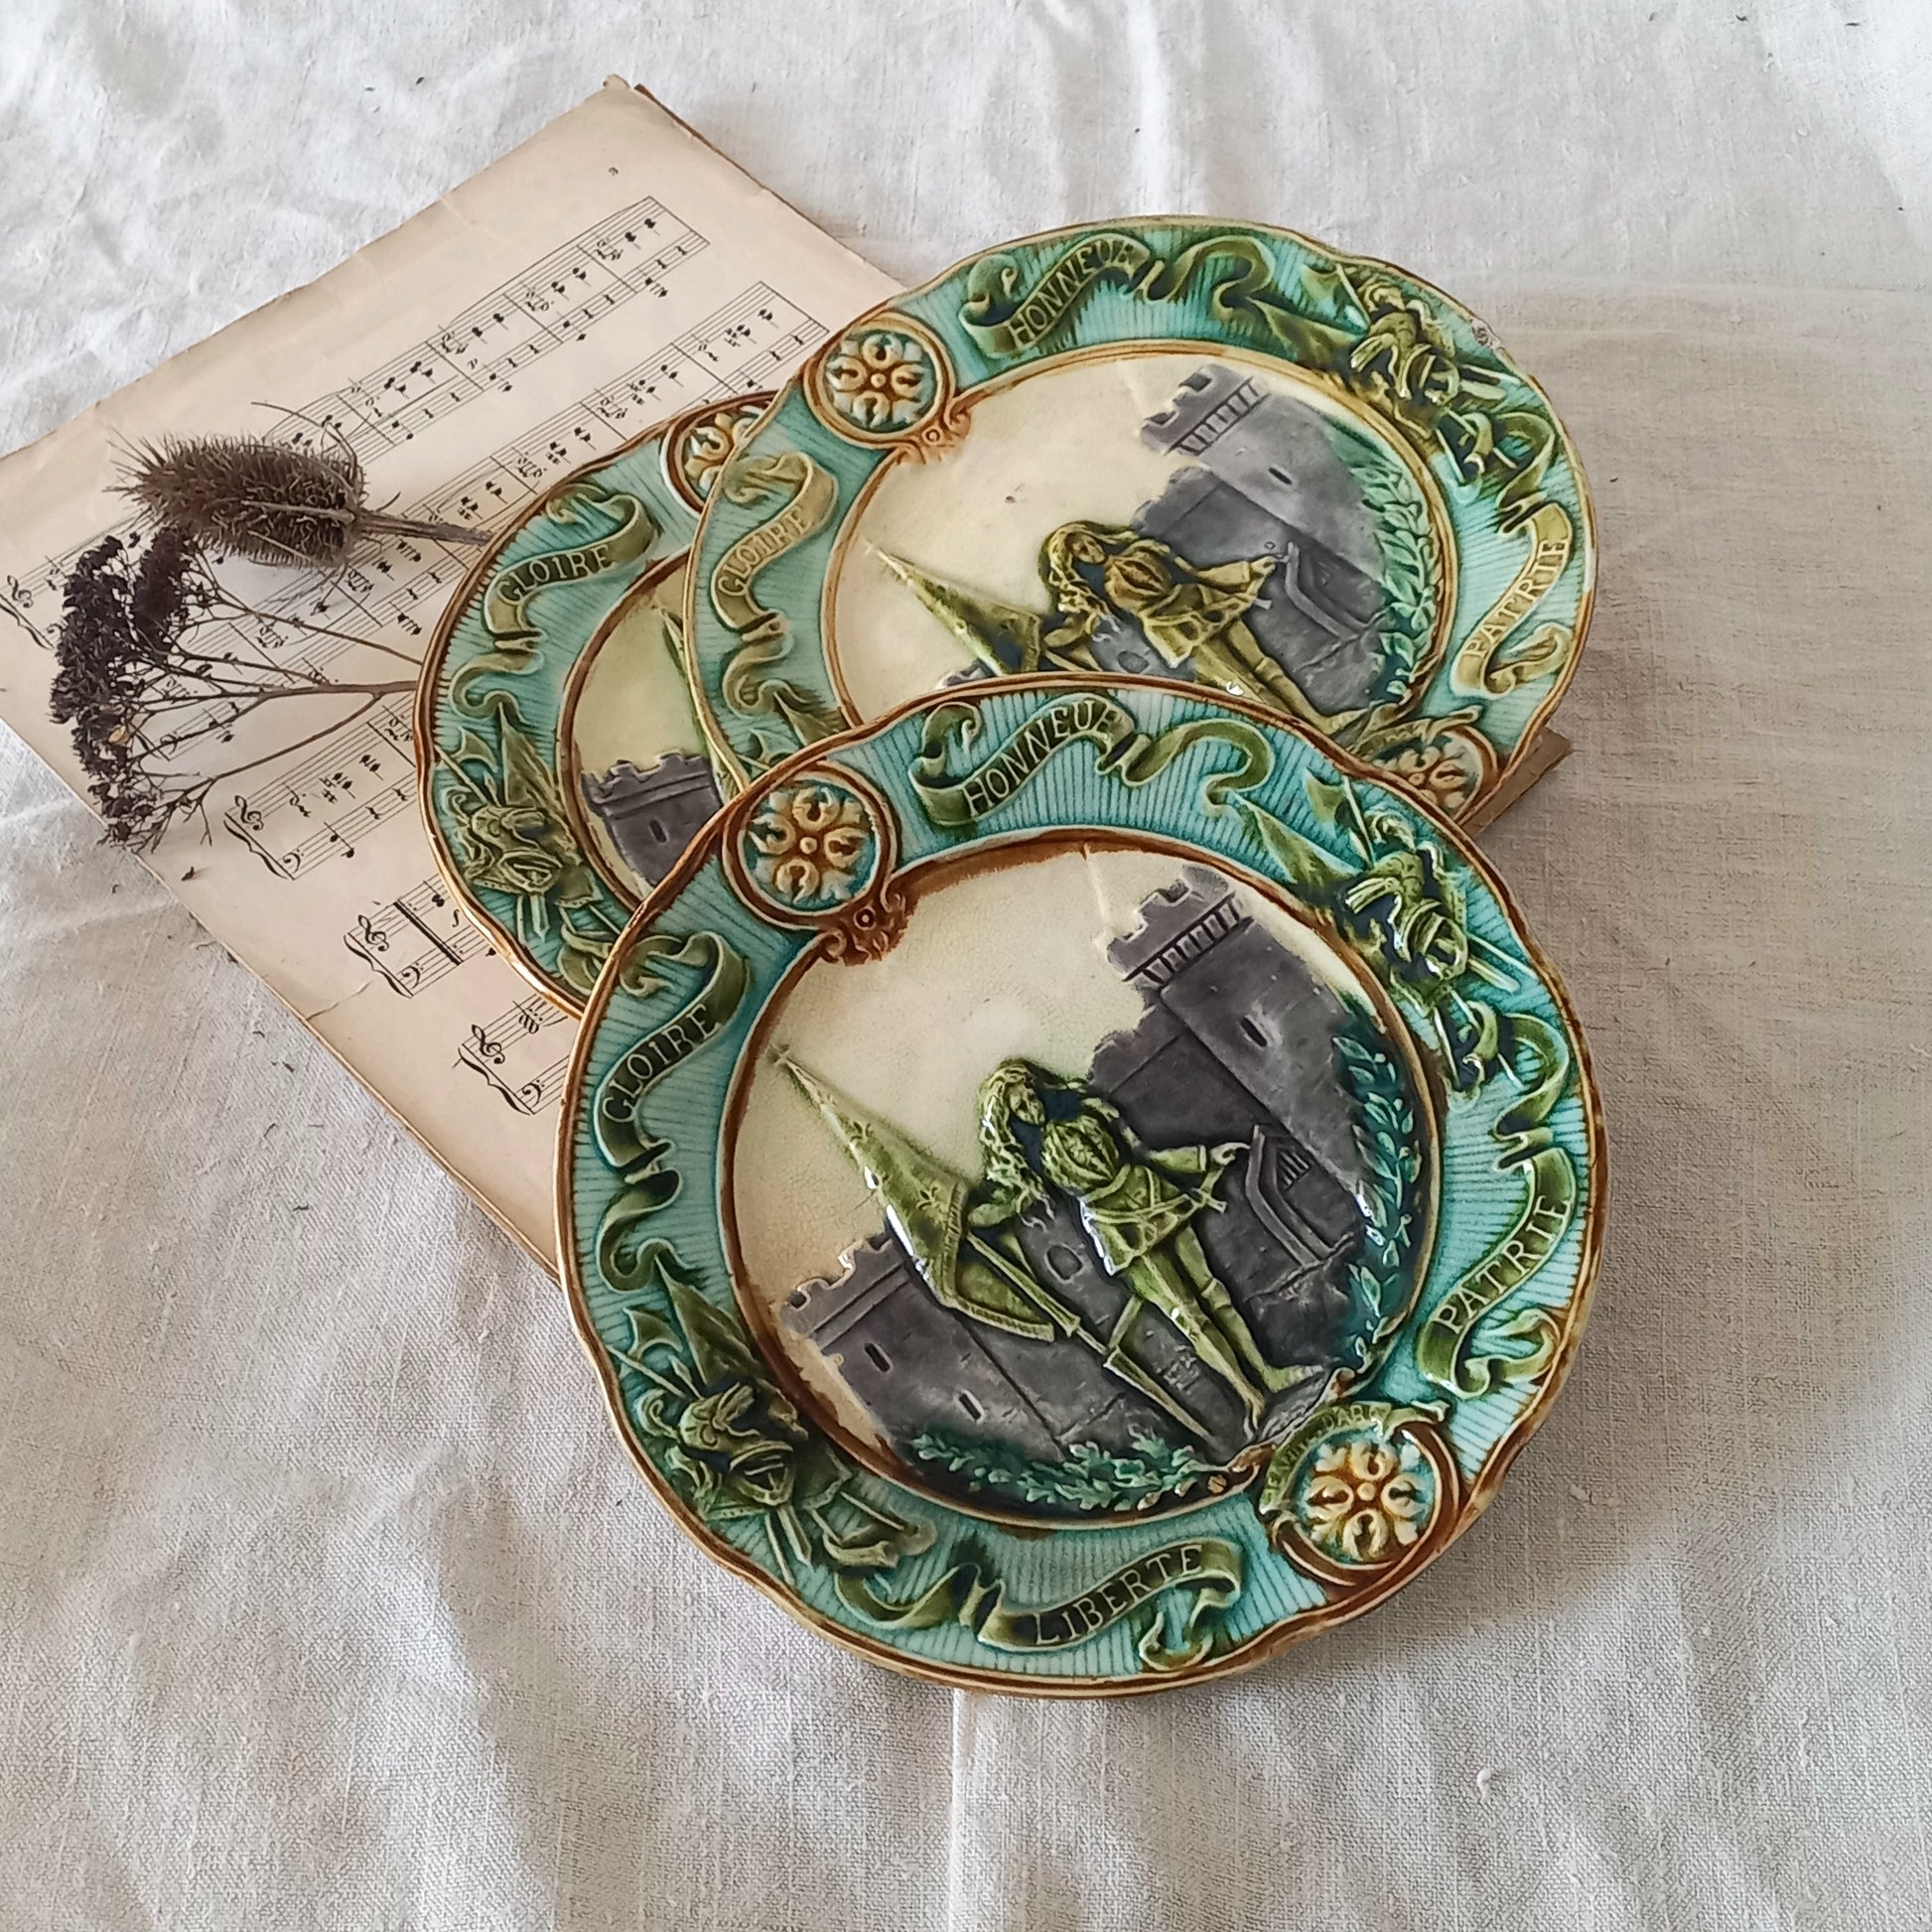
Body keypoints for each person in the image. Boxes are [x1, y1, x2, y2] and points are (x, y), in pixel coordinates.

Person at [969, 1058, 1298, 1427]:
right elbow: (1002, 1208)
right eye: (1019, 1108)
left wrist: (1204, 1157)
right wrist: (962, 1218)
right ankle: (1247, 1394)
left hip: (1151, 1193)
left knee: (1215, 1293)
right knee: (1187, 1316)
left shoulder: (1090, 1111)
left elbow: (1147, 1154)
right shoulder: (1030, 1166)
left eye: (1029, 1094)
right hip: (1115, 1226)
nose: (1031, 1106)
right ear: (1009, 1123)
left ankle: (1268, 1374)